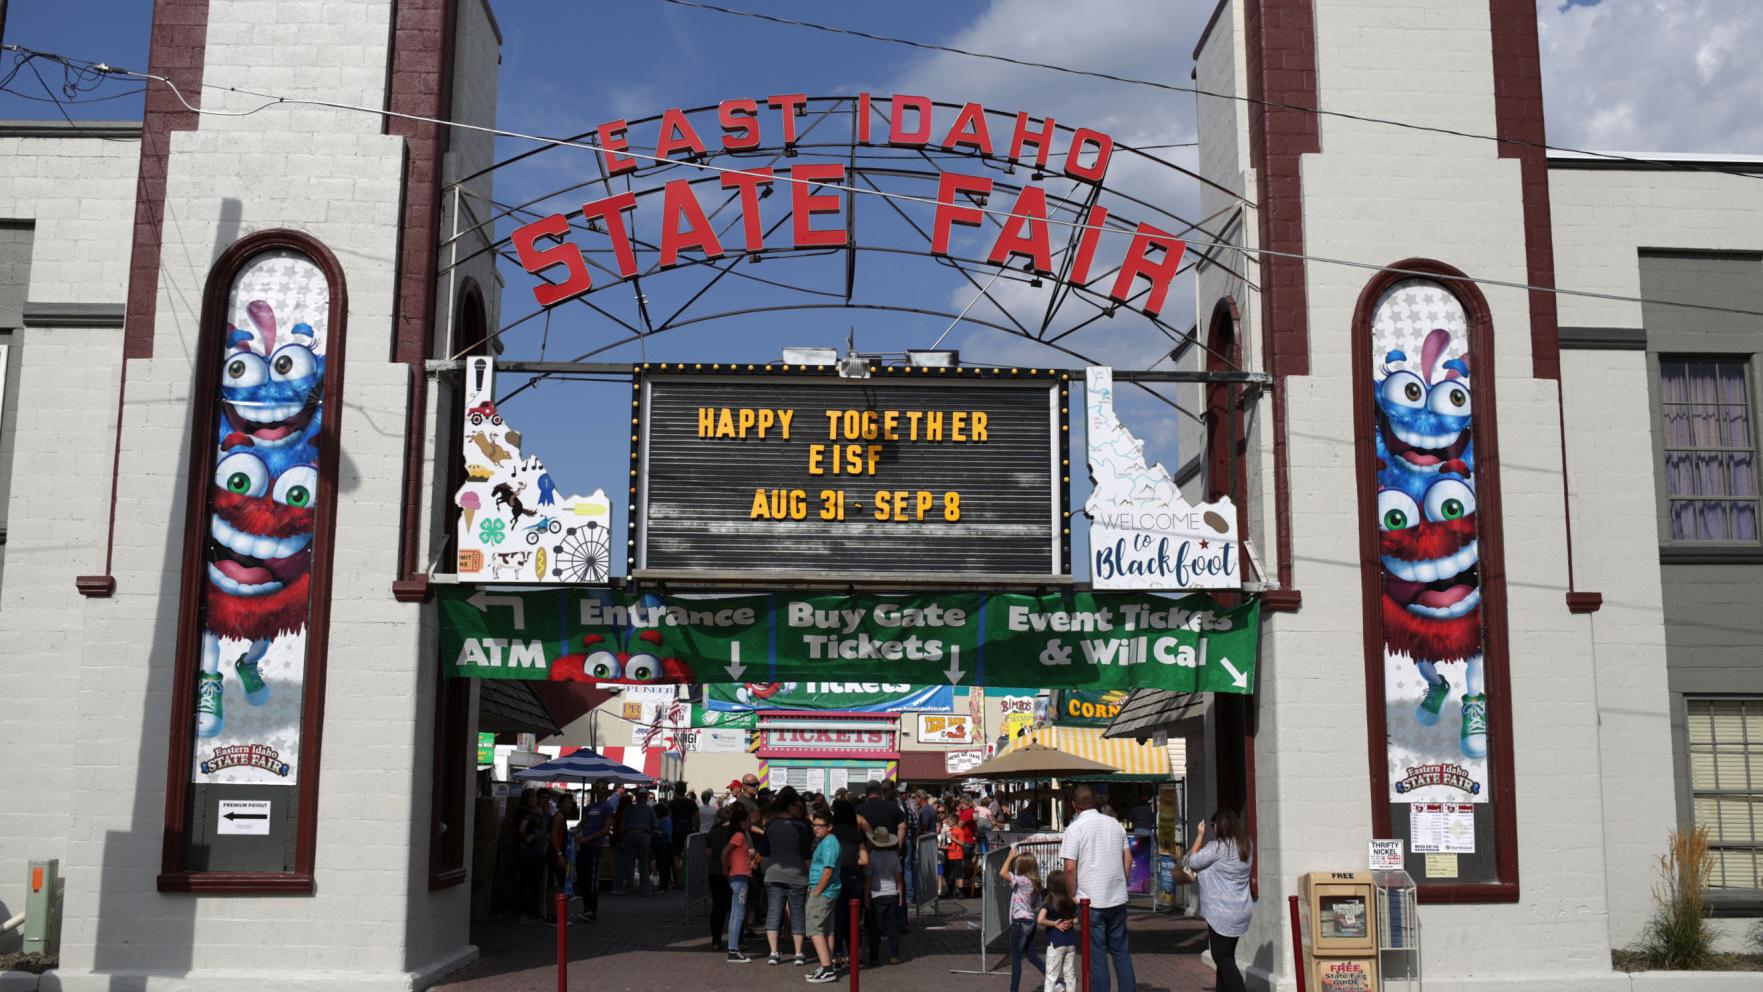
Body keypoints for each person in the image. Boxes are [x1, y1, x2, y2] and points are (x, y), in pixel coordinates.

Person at [1059, 784, 1135, 992]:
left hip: (1089, 900)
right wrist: (1123, 882)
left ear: (1074, 805)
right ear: (1094, 801)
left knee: (1097, 954)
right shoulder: (1114, 824)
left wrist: (1072, 894)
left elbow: (1069, 868)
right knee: (1121, 951)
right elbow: (1128, 859)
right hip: (1116, 897)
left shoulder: (1074, 829)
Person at [1184, 808, 1254, 992]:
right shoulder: (1246, 844)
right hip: (1240, 909)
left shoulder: (1216, 847)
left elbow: (1191, 862)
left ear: (1219, 826)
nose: (1212, 829)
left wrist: (1199, 835)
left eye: (1213, 825)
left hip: (1221, 912)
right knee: (1226, 956)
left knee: (1222, 958)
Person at [760, 795, 812, 966]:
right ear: (789, 806)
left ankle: (773, 952)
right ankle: (798, 953)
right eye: (798, 806)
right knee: (797, 913)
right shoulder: (801, 826)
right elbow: (806, 853)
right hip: (797, 874)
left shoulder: (771, 825)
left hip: (774, 873)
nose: (800, 809)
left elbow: (764, 850)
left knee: (774, 912)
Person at [1000, 845, 1046, 992]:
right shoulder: (1036, 882)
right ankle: (1055, 980)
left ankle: (1014, 989)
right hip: (1030, 920)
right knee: (1032, 955)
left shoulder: (1022, 881)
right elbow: (1037, 905)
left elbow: (1003, 872)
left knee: (1016, 957)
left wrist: (1010, 857)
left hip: (1020, 921)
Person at [805, 810, 843, 983]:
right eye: (815, 825)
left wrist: (817, 891)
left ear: (829, 827)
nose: (816, 829)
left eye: (820, 826)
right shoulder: (827, 841)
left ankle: (827, 968)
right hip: (828, 890)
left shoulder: (829, 843)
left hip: (824, 891)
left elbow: (828, 871)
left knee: (815, 928)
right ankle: (827, 964)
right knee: (827, 929)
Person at [722, 803, 758, 963]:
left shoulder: (738, 835)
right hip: (739, 877)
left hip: (738, 876)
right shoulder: (740, 836)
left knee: (736, 913)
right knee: (738, 913)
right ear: (742, 822)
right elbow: (724, 853)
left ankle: (733, 948)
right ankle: (733, 949)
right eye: (748, 820)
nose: (750, 823)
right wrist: (725, 870)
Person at [830, 800, 864, 965]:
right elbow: (864, 859)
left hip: (834, 875)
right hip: (852, 874)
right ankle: (854, 951)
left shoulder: (831, 833)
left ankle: (836, 952)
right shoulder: (855, 833)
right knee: (853, 916)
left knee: (836, 916)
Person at [573, 788, 614, 922]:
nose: (599, 790)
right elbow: (582, 822)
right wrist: (577, 830)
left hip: (595, 847)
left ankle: (591, 910)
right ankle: (586, 908)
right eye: (597, 787)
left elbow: (606, 829)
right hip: (583, 846)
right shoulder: (590, 807)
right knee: (582, 877)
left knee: (591, 879)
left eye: (602, 788)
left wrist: (588, 838)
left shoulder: (607, 807)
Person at [865, 825, 904, 965]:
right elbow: (899, 878)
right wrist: (900, 894)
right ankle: (894, 955)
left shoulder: (871, 858)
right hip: (891, 893)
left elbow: (868, 879)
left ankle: (874, 957)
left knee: (875, 929)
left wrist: (866, 897)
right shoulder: (894, 857)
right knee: (892, 927)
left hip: (876, 894)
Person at [1037, 869, 1081, 992]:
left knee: (1051, 975)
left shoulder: (1050, 902)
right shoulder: (1071, 901)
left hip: (1055, 943)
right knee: (1070, 974)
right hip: (1070, 942)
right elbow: (1078, 919)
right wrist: (1071, 921)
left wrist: (1054, 923)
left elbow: (1040, 919)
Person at [514, 790, 547, 923]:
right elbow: (523, 829)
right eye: (533, 797)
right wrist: (527, 839)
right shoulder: (528, 813)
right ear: (527, 799)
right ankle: (525, 914)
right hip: (529, 850)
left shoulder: (520, 811)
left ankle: (522, 912)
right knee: (529, 882)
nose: (535, 799)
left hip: (522, 850)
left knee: (524, 881)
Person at [618, 788, 657, 896]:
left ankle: (629, 888)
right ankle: (644, 889)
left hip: (629, 835)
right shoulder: (650, 810)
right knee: (643, 864)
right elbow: (654, 825)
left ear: (637, 797)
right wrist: (650, 835)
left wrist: (622, 837)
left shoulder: (630, 808)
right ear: (645, 798)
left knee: (629, 863)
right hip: (643, 835)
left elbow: (622, 824)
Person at [654, 799, 675, 893]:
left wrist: (657, 832)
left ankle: (664, 886)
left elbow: (666, 834)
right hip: (662, 845)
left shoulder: (665, 820)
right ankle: (663, 885)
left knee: (663, 866)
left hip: (664, 845)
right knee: (662, 866)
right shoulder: (664, 819)